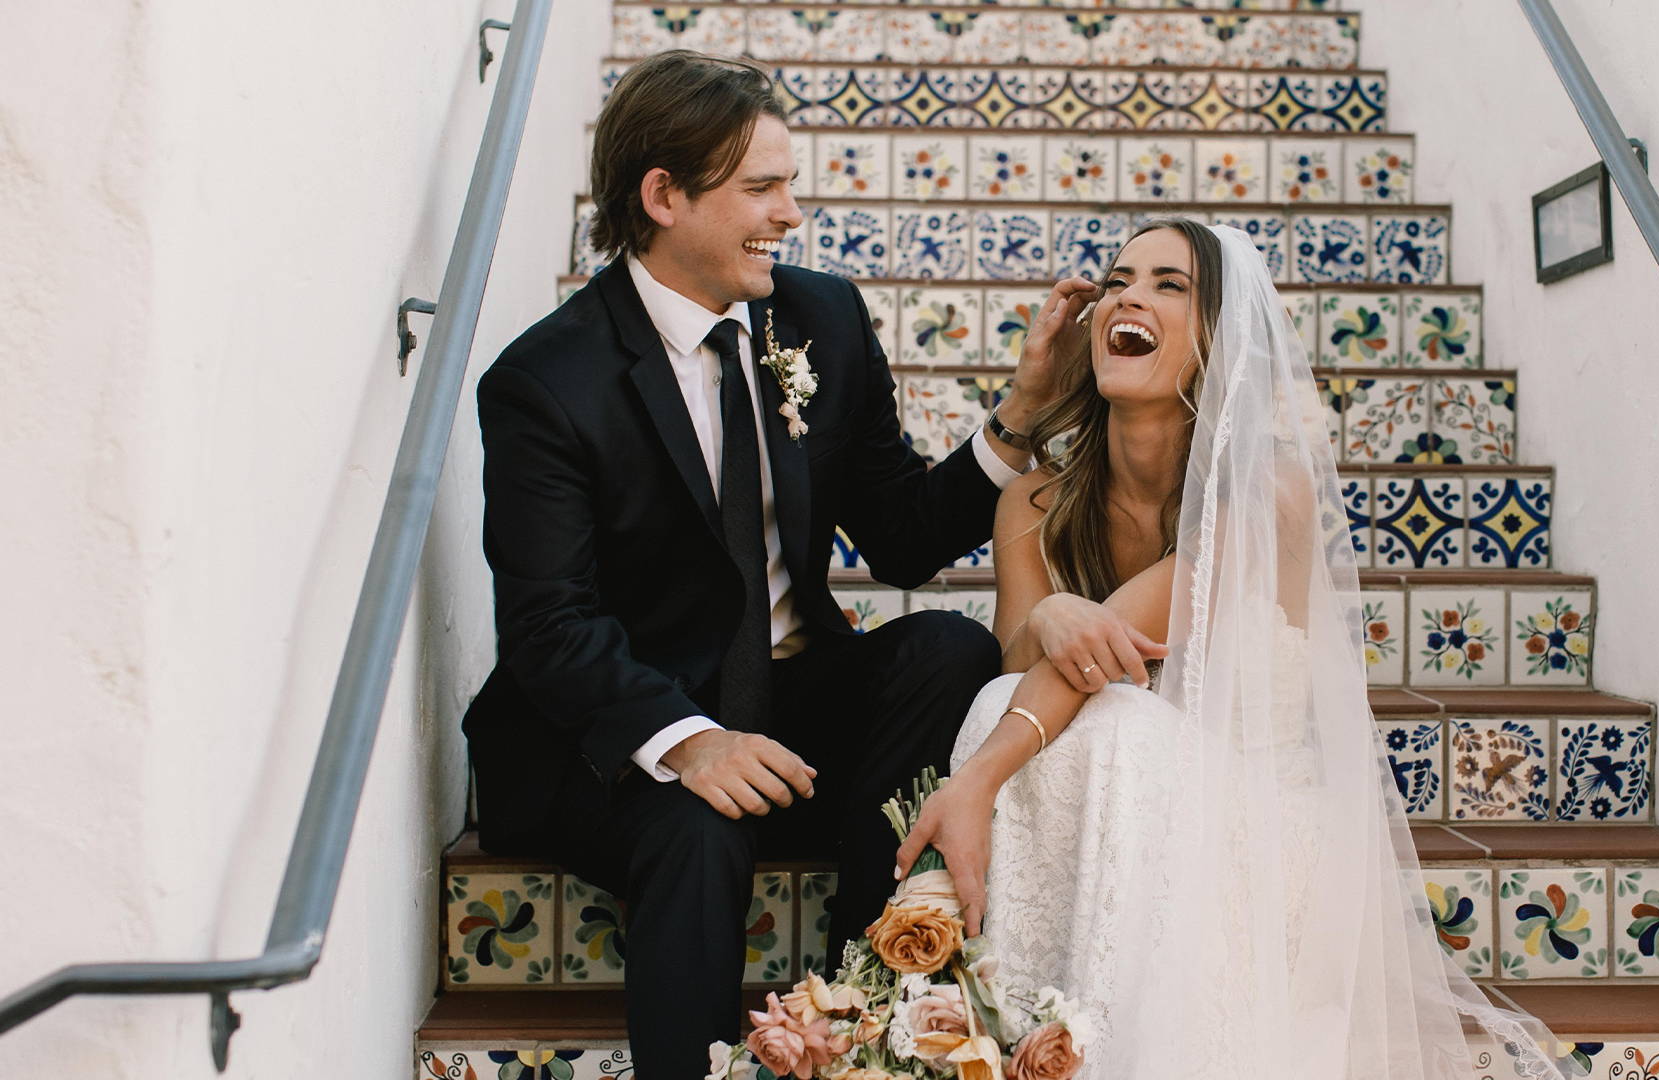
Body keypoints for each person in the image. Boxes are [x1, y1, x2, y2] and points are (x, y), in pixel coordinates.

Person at [458, 51, 1107, 1074]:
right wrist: (691, 741)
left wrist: (1022, 411)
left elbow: (899, 536)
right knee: (693, 829)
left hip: (790, 695)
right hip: (615, 734)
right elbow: (551, 625)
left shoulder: (820, 321)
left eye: (789, 185)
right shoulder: (546, 382)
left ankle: (865, 992)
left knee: (943, 648)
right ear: (663, 195)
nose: (791, 214)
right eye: (761, 188)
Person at [896, 221, 1566, 1077]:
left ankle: (1095, 1047)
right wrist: (1053, 615)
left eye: (1171, 285)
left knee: (1114, 719)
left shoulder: (1265, 492)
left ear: (1219, 339)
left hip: (1258, 840)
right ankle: (1030, 1025)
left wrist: (973, 781)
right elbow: (1013, 667)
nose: (1130, 296)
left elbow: (1112, 645)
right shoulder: (1033, 497)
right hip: (1116, 817)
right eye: (1118, 279)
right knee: (1013, 706)